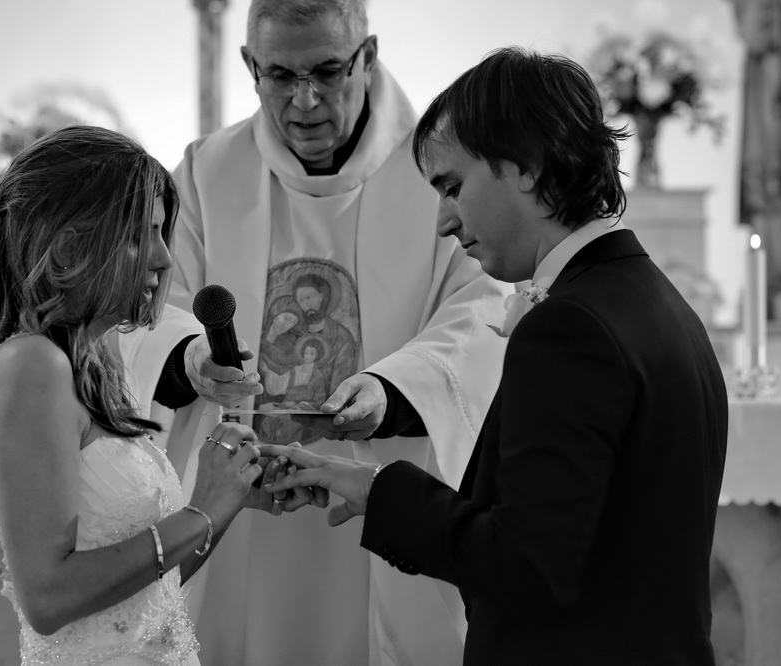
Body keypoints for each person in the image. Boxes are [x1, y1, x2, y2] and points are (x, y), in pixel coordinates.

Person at [262, 46, 730, 665]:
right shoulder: (656, 300)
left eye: (453, 187)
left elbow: (528, 567)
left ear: (527, 165)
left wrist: (387, 497)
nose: (443, 222)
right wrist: (371, 486)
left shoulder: (569, 329)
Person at [115, 1, 509, 663]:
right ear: (250, 67)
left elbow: (481, 312)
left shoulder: (435, 168)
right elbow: (148, 307)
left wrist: (390, 390)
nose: (304, 101)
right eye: (280, 76)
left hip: (388, 492)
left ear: (369, 56)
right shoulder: (209, 175)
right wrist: (191, 362)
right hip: (241, 518)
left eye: (328, 72)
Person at [0, 126, 305, 665]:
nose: (164, 259)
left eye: (163, 234)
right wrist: (201, 512)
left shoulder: (92, 360)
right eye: (142, 235)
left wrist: (228, 498)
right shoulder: (32, 367)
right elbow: (49, 599)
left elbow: (145, 598)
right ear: (70, 245)